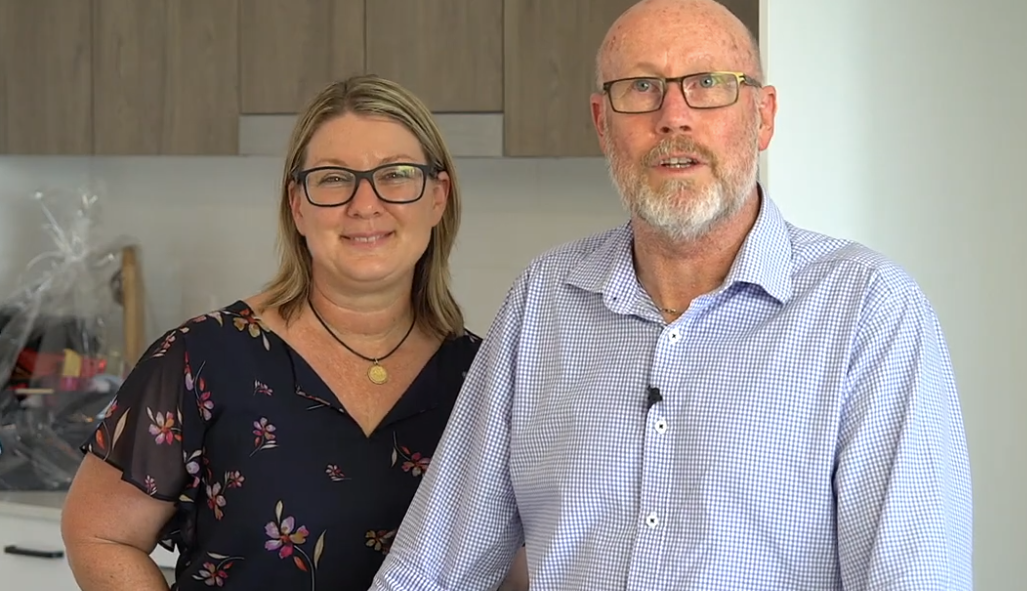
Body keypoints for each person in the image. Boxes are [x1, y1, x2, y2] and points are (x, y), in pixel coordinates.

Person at [370, 0, 974, 589]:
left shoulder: (869, 309)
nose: (673, 117)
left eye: (708, 83)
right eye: (641, 88)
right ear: (602, 123)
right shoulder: (543, 300)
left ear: (763, 116)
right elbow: (433, 566)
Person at [59, 74, 527, 590]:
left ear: (438, 196)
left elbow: (521, 563)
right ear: (297, 205)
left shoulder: (488, 377)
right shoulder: (203, 359)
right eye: (333, 178)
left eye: (396, 175)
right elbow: (99, 535)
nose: (365, 204)